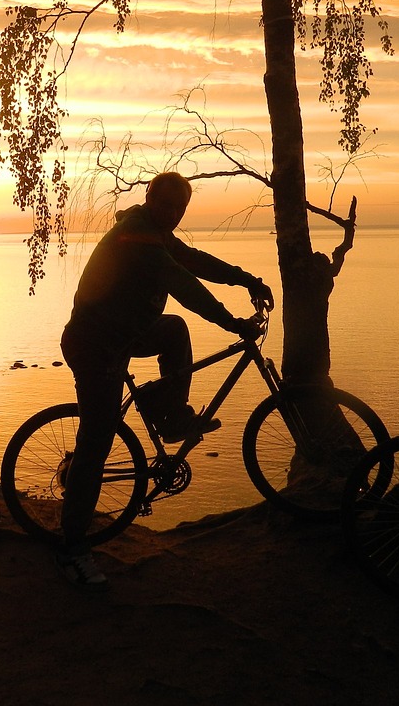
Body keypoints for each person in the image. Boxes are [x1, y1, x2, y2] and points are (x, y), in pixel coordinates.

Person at [55, 171, 273, 588]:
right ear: (149, 198)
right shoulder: (137, 236)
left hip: (124, 335)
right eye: (165, 204)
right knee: (96, 443)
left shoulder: (155, 232)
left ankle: (169, 416)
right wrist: (231, 323)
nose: (172, 214)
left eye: (180, 208)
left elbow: (194, 261)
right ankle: (71, 550)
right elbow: (184, 283)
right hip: (94, 344)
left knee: (173, 329)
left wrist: (247, 279)